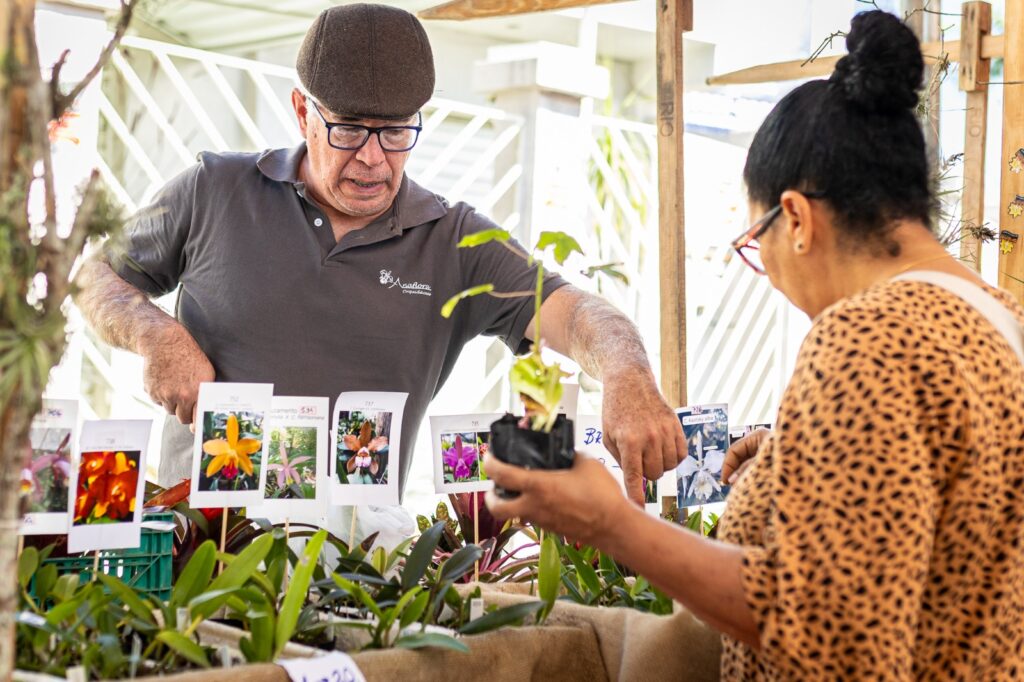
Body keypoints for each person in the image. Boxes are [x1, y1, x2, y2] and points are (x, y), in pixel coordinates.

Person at [484, 10, 1024, 680]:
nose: (764, 269)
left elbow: (830, 630)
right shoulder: (996, 318)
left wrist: (613, 526)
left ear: (795, 218)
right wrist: (796, 453)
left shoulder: (868, 338)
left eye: (753, 244)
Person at [73, 3, 682, 506]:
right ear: (301, 112)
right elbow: (93, 277)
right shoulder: (213, 189)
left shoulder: (455, 240)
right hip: (199, 550)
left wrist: (628, 373)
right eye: (347, 130)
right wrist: (156, 334)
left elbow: (574, 313)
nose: (372, 158)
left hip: (361, 575)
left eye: (396, 133)